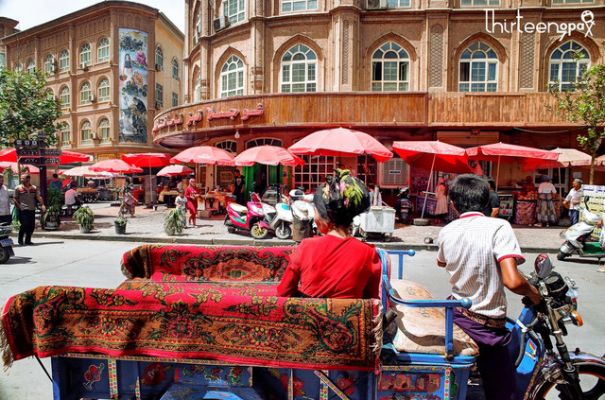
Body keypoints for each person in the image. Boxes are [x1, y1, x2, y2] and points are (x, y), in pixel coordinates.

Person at [436, 174, 541, 400]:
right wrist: (535, 294)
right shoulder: (499, 227)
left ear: (453, 203)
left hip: (457, 315)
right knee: (506, 394)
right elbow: (513, 281)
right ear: (487, 201)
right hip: (486, 327)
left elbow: (441, 261)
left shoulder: (447, 231)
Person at [277, 169, 381, 299]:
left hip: (309, 318)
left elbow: (283, 292)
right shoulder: (369, 253)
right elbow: (372, 302)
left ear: (322, 217)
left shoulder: (306, 247)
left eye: (315, 211)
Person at [14, 174, 46, 246]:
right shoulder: (18, 188)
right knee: (24, 224)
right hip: (23, 209)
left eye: (23, 178)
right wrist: (19, 207)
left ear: (28, 179)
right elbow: (15, 198)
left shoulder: (34, 188)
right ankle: (20, 239)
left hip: (31, 209)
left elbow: (38, 197)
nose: (21, 179)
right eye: (21, 178)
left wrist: (42, 205)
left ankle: (28, 240)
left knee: (32, 226)